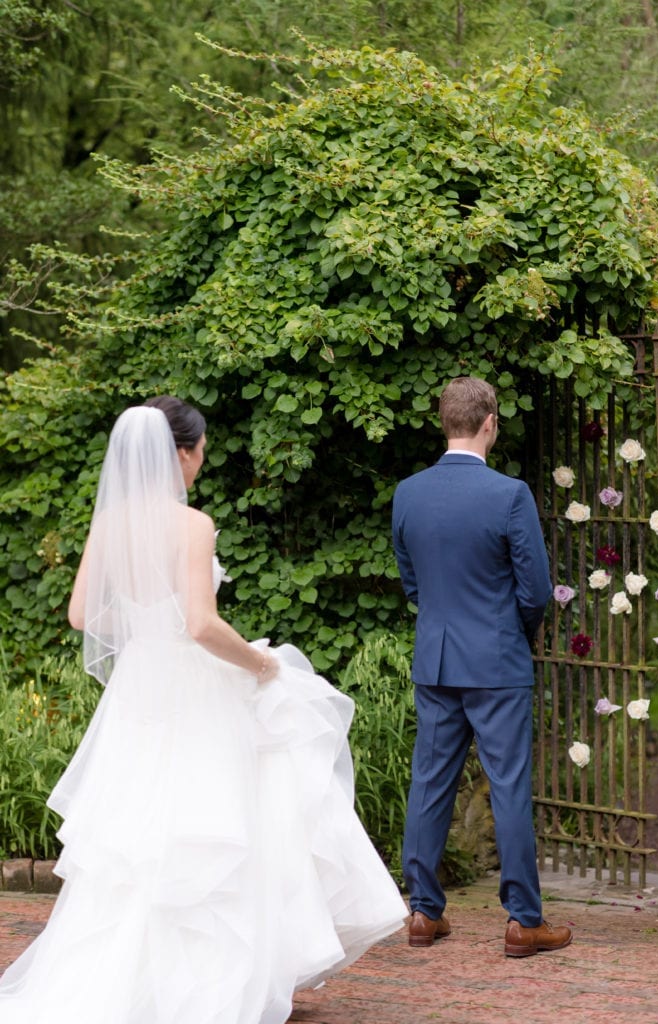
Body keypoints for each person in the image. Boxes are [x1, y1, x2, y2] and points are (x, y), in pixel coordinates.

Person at [0, 397, 407, 1022]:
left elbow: (82, 616)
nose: (199, 466)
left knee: (140, 833)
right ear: (181, 453)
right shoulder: (193, 525)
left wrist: (142, 628)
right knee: (208, 828)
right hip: (191, 689)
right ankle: (209, 983)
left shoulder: (111, 523)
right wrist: (261, 663)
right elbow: (201, 624)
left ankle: (127, 982)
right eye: (200, 453)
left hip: (139, 689)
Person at [392, 376, 572, 957]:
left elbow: (412, 583)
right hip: (497, 660)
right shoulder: (509, 494)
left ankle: (422, 912)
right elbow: (536, 590)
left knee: (429, 783)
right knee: (509, 787)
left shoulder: (408, 493)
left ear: (444, 422)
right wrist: (508, 632)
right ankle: (523, 922)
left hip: (437, 659)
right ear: (490, 423)